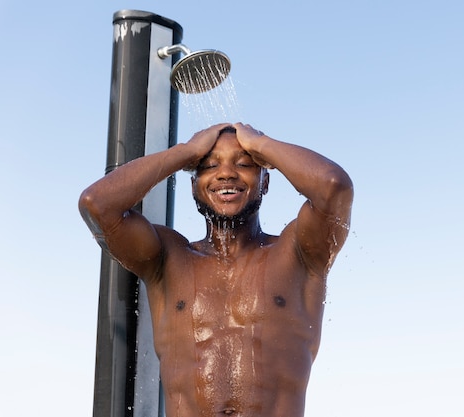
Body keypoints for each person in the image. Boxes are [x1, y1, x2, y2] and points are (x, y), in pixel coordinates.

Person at [79, 122, 353, 417]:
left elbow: (334, 187)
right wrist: (186, 152)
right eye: (209, 166)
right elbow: (97, 204)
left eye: (245, 164)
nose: (226, 173)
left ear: (265, 182)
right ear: (194, 184)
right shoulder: (168, 258)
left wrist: (261, 144)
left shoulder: (299, 253)